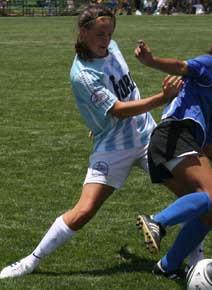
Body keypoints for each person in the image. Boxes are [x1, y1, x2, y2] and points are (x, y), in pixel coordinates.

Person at [0, 4, 183, 279]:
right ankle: (30, 262)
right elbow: (117, 109)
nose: (106, 40)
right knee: (84, 210)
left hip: (147, 136)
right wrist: (161, 98)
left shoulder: (114, 48)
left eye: (109, 33)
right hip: (113, 148)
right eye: (100, 34)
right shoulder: (82, 74)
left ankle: (193, 258)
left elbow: (121, 91)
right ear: (83, 32)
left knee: (192, 197)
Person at [135, 34, 212, 279]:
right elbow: (182, 67)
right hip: (174, 134)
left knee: (210, 211)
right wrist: (151, 61)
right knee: (211, 197)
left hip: (176, 143)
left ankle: (167, 266)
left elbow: (208, 143)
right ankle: (157, 222)